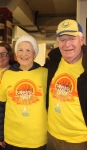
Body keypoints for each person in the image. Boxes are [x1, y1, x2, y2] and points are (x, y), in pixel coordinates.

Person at [0, 35, 48, 150]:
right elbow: (1, 107)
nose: (24, 54)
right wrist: (0, 134)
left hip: (37, 138)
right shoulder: (7, 74)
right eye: (20, 50)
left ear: (34, 54)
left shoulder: (45, 74)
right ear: (16, 53)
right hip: (12, 137)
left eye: (28, 50)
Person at [45, 19, 87, 150]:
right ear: (57, 42)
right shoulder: (53, 62)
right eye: (62, 39)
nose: (67, 44)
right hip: (51, 135)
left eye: (72, 38)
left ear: (81, 40)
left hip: (79, 140)